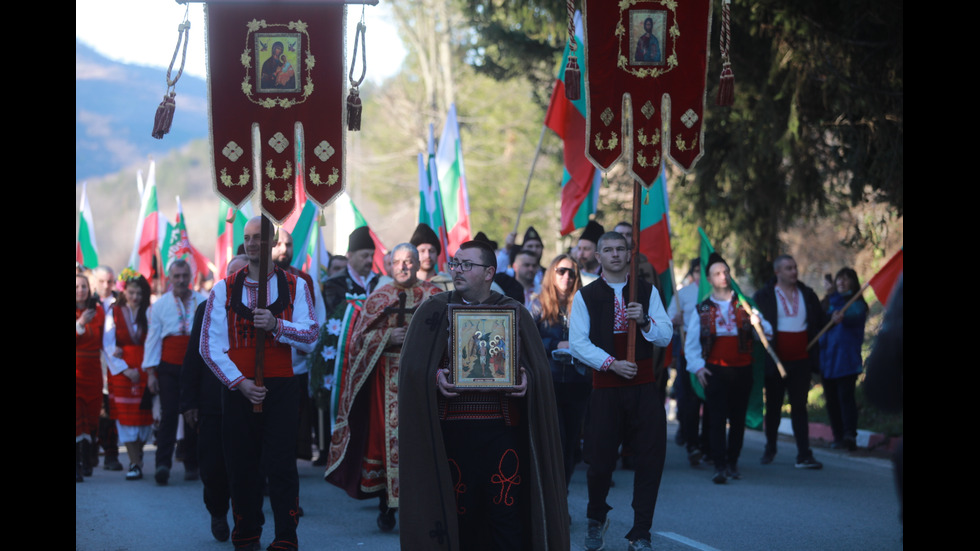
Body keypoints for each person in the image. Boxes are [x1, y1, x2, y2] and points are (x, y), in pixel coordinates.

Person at [398, 239, 569, 551]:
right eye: (455, 263)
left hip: (501, 435)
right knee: (461, 516)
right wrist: (436, 377)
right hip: (452, 435)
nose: (457, 270)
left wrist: (525, 380)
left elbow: (539, 374)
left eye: (467, 265)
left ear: (490, 272)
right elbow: (412, 369)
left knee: (506, 517)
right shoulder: (433, 311)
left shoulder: (514, 312)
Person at [201, 216, 319, 551]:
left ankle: (286, 536)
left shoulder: (297, 285)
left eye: (259, 238)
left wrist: (277, 326)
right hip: (240, 389)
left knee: (282, 464)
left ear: (272, 243)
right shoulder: (223, 288)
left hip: (282, 385)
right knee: (241, 464)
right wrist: (239, 383)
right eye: (248, 238)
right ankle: (247, 533)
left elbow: (311, 334)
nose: (252, 244)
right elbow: (209, 346)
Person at [325, 243, 441, 532]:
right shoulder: (379, 298)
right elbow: (357, 343)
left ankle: (421, 506)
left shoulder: (434, 296)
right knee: (385, 443)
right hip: (384, 382)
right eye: (398, 262)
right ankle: (386, 504)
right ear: (389, 266)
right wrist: (388, 336)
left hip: (423, 379)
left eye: (409, 261)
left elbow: (447, 334)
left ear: (417, 264)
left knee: (420, 441)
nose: (403, 266)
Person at [569, 231, 672, 551]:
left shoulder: (646, 291)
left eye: (620, 249)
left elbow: (665, 336)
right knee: (599, 462)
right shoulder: (585, 296)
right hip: (606, 387)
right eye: (608, 250)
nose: (615, 254)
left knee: (650, 459)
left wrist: (644, 322)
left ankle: (641, 531)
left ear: (630, 254)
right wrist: (611, 363)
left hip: (642, 387)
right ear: (597, 257)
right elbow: (578, 343)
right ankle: (596, 516)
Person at [685, 253, 772, 483]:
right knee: (716, 418)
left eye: (725, 272)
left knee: (737, 418)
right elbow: (691, 344)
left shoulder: (745, 303)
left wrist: (759, 323)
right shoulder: (702, 308)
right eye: (717, 273)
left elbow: (768, 333)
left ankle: (733, 461)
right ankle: (719, 465)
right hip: (715, 371)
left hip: (743, 370)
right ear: (709, 279)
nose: (722, 276)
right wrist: (698, 368)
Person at [181, 255, 248, 543]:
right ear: (225, 278)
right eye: (233, 275)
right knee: (212, 465)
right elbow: (193, 360)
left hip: (248, 400)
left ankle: (245, 524)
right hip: (212, 403)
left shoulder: (262, 311)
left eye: (244, 275)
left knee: (246, 467)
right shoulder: (205, 310)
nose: (238, 280)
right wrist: (190, 402)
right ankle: (218, 511)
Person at [754, 254, 824, 469]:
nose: (793, 272)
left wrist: (833, 318)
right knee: (774, 407)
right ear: (777, 272)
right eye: (788, 268)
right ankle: (770, 447)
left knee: (799, 407)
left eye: (794, 267)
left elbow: (819, 320)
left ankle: (804, 453)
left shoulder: (807, 293)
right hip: (776, 361)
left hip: (801, 360)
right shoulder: (764, 296)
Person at [142, 259, 207, 485]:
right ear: (170, 278)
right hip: (168, 367)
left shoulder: (203, 301)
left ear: (191, 277)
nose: (180, 280)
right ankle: (163, 465)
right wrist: (151, 373)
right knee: (169, 414)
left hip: (196, 368)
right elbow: (152, 340)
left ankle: (192, 464)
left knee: (193, 414)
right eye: (176, 276)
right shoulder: (158, 306)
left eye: (184, 276)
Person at [529, 254, 588, 488]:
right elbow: (524, 340)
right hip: (548, 383)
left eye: (572, 272)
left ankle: (561, 501)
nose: (566, 276)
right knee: (555, 443)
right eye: (561, 271)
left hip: (578, 383)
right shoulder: (537, 304)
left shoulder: (584, 307)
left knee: (572, 445)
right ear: (551, 273)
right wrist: (554, 345)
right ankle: (552, 503)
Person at [103, 269, 153, 481]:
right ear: (124, 292)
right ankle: (134, 462)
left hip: (145, 369)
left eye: (139, 293)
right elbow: (108, 345)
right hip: (122, 373)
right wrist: (124, 369)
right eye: (132, 292)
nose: (135, 297)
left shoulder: (149, 312)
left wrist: (150, 369)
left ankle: (138, 455)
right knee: (125, 419)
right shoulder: (113, 312)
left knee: (144, 419)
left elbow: (154, 340)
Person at [819, 268, 868, 451]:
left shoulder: (856, 304)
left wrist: (833, 296)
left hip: (846, 361)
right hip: (828, 361)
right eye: (839, 279)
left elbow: (845, 317)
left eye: (846, 279)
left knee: (846, 399)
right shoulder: (828, 302)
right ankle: (838, 435)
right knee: (831, 401)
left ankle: (849, 435)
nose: (842, 283)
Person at [666, 258, 710, 465]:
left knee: (711, 402)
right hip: (688, 354)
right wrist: (676, 321)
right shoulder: (683, 294)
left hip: (713, 355)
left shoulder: (719, 294)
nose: (700, 275)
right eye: (696, 271)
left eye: (704, 271)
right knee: (689, 401)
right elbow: (667, 318)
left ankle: (708, 444)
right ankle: (692, 443)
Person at [92, 265, 124, 471]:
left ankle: (111, 454)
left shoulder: (121, 301)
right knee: (95, 409)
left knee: (111, 409)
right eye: (102, 281)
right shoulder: (86, 301)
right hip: (93, 361)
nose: (106, 286)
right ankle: (90, 451)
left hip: (115, 360)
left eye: (110, 281)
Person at [77, 273, 105, 482]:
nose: (80, 290)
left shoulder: (99, 312)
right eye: (76, 287)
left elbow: (108, 339)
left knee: (92, 417)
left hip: (94, 371)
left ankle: (88, 459)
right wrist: (79, 323)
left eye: (83, 286)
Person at [410, 223, 454, 291]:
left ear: (437, 254)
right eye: (422, 251)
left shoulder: (450, 284)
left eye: (431, 251)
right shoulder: (406, 285)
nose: (427, 255)